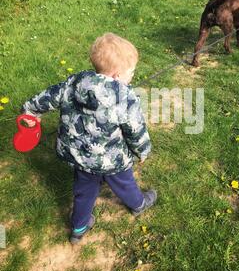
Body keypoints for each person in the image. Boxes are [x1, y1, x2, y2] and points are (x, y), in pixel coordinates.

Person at [21, 33, 157, 244]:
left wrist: (29, 112)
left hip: (80, 157)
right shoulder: (126, 98)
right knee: (124, 182)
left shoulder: (74, 82)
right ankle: (138, 204)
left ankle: (79, 228)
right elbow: (135, 130)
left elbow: (46, 97)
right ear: (116, 75)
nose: (132, 76)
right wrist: (143, 151)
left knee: (84, 191)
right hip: (113, 160)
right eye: (131, 72)